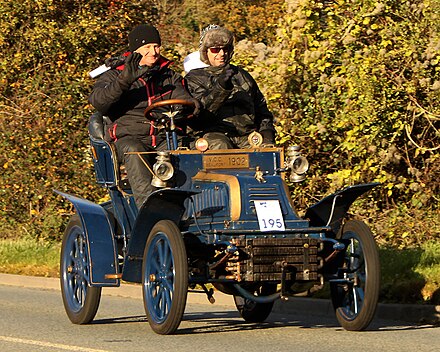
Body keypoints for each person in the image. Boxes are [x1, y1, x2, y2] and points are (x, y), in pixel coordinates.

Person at [89, 24, 197, 208]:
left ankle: (192, 208)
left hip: (164, 136)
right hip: (128, 138)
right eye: (147, 47)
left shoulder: (168, 76)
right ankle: (149, 212)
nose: (153, 52)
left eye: (156, 46)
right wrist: (124, 80)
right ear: (135, 50)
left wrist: (185, 111)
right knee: (135, 150)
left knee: (188, 150)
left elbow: (186, 101)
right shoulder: (115, 75)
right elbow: (99, 102)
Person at [184, 25, 276, 149]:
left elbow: (261, 109)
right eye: (215, 50)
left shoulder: (243, 76)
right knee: (220, 146)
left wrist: (267, 132)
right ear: (206, 52)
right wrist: (220, 88)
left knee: (266, 153)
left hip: (246, 135)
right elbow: (198, 115)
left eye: (225, 49)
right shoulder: (194, 78)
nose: (222, 54)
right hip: (212, 134)